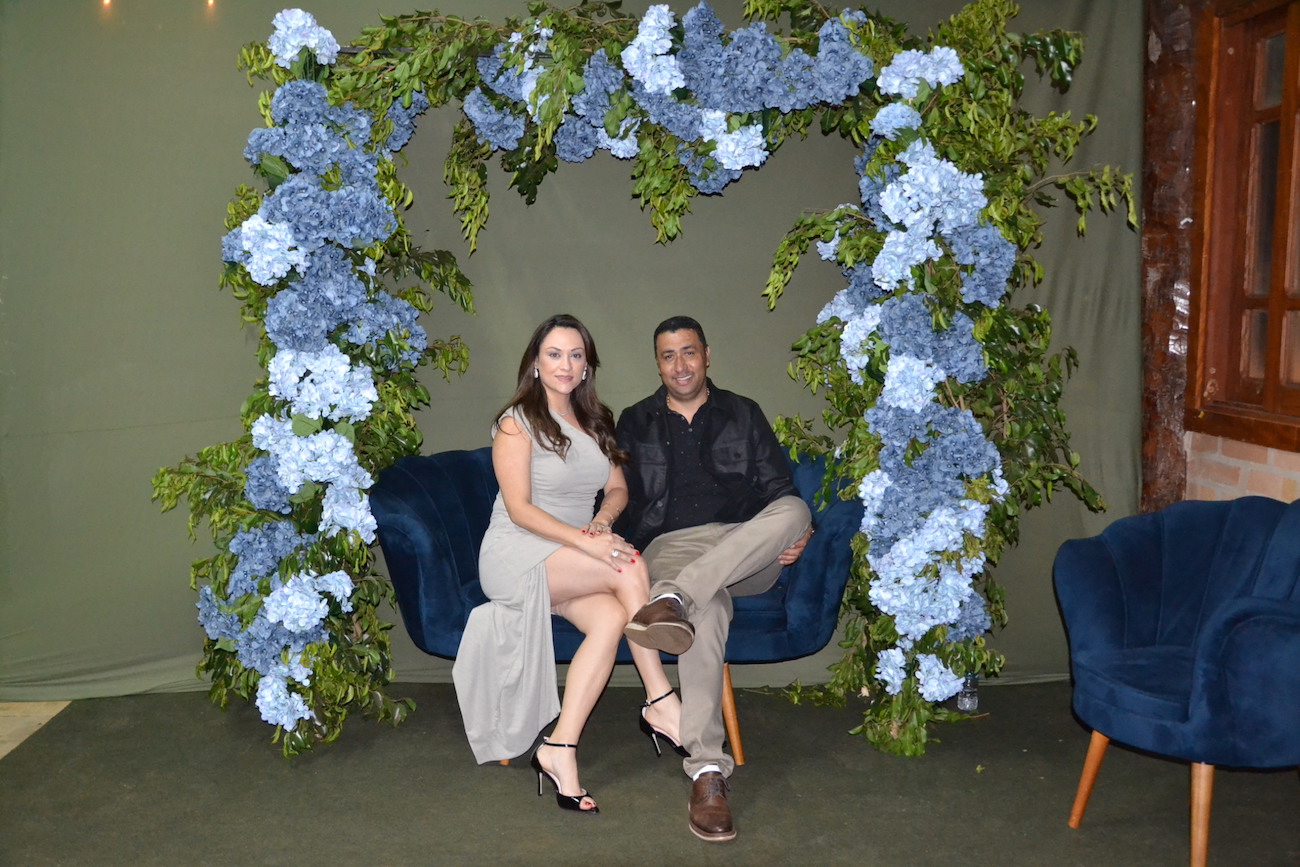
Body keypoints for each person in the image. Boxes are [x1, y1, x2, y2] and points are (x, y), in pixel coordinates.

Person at [453, 314, 683, 815]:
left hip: (573, 554)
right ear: (535, 364)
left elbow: (618, 488)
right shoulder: (517, 422)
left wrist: (600, 523)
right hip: (518, 552)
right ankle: (661, 699)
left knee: (611, 617)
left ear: (586, 366)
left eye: (575, 355)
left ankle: (559, 747)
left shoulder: (596, 419)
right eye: (554, 354)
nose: (565, 364)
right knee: (629, 566)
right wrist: (588, 543)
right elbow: (520, 510)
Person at [616, 316, 813, 842]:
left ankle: (674, 598)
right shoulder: (635, 421)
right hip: (672, 548)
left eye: (688, 352)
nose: (679, 365)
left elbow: (779, 489)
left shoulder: (743, 412)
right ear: (657, 364)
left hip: (742, 548)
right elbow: (617, 497)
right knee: (709, 610)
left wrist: (798, 534)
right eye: (668, 355)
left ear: (707, 355)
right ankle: (707, 771)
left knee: (797, 511)